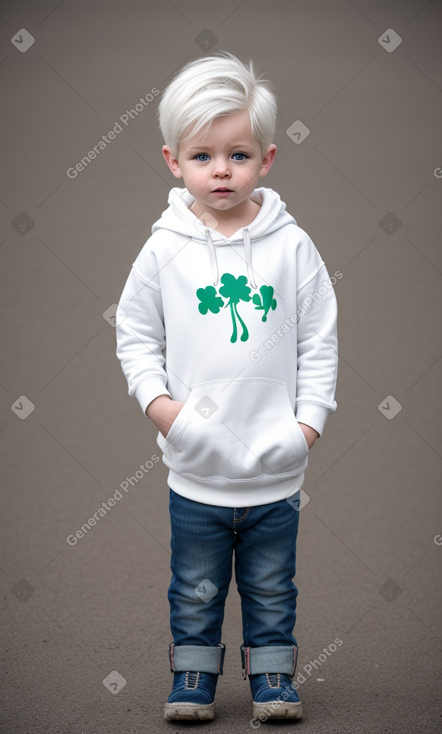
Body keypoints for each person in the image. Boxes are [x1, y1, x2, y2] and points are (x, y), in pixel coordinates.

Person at [116, 52, 338, 722]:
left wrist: (304, 426)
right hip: (195, 467)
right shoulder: (163, 250)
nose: (221, 170)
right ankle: (193, 676)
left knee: (272, 586)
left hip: (275, 468)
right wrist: (166, 412)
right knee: (194, 586)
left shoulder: (290, 247)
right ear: (172, 159)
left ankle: (272, 679)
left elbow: (318, 340)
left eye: (238, 155)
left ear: (266, 159)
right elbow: (134, 336)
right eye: (203, 155)